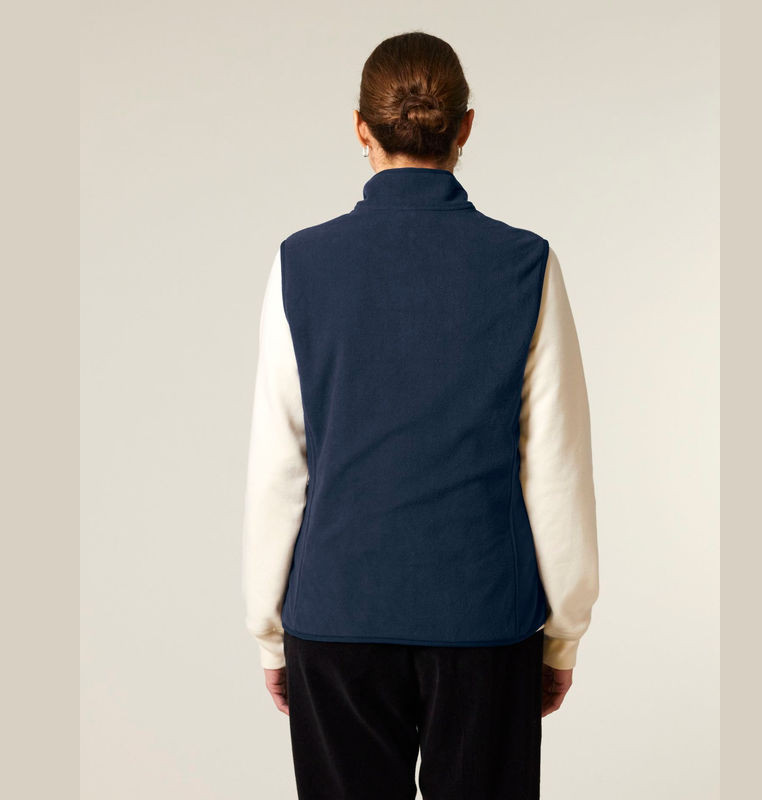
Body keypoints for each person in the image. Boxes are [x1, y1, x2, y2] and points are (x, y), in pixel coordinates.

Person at [242, 30, 599, 800]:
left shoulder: (300, 264)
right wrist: (564, 633)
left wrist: (270, 631)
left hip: (337, 616)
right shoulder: (525, 265)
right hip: (484, 621)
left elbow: (280, 465)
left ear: (360, 128)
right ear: (465, 127)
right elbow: (556, 468)